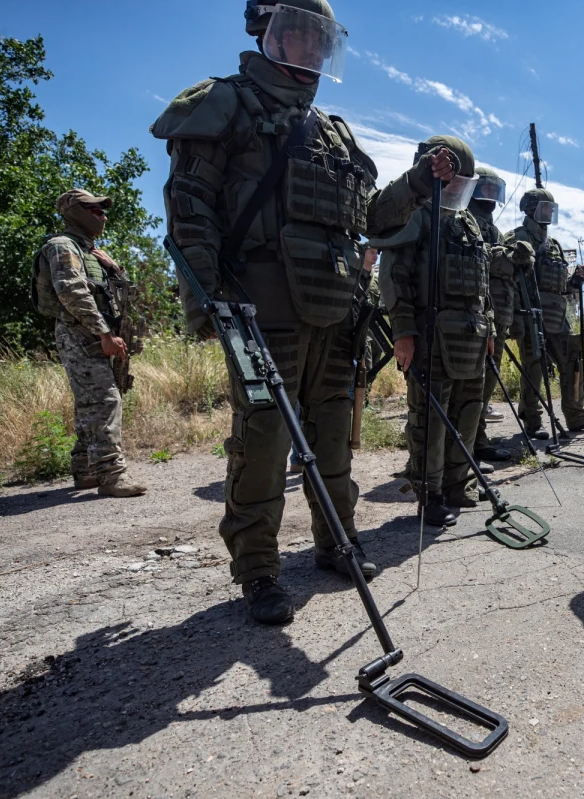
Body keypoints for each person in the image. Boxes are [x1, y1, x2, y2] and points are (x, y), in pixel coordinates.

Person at [151, 0, 457, 624]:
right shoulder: (225, 104)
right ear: (268, 33)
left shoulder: (333, 131)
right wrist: (210, 301)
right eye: (300, 35)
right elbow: (189, 211)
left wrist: (416, 185)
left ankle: (337, 542)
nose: (312, 51)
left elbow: (369, 218)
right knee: (263, 439)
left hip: (336, 307)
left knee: (333, 434)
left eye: (322, 41)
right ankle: (258, 570)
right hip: (259, 306)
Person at [377, 136, 493, 522]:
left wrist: (490, 329)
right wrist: (403, 333)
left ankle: (460, 485)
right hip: (432, 337)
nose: (457, 188)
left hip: (471, 338)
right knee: (430, 418)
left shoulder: (469, 223)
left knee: (468, 412)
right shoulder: (416, 213)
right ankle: (431, 493)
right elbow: (394, 275)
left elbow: (483, 284)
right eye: (453, 179)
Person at [36, 189, 147, 499]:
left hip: (94, 333)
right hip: (79, 334)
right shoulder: (62, 245)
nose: (102, 215)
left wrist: (115, 269)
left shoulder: (90, 251)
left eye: (103, 210)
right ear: (75, 212)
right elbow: (71, 291)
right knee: (105, 400)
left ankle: (85, 470)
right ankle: (112, 475)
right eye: (95, 209)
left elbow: (124, 293)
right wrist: (103, 333)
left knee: (90, 402)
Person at [506, 189, 584, 438]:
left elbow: (563, 288)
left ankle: (577, 418)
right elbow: (506, 279)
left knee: (573, 362)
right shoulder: (516, 238)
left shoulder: (554, 245)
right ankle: (533, 421)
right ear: (531, 208)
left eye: (552, 209)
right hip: (530, 314)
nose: (550, 213)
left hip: (557, 316)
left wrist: (576, 281)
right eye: (545, 208)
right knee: (534, 367)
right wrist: (515, 316)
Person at [470, 166, 516, 463]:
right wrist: (504, 256)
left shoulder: (492, 227)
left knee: (488, 378)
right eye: (486, 189)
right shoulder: (467, 219)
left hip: (496, 314)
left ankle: (478, 437)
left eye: (494, 190)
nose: (491, 196)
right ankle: (472, 441)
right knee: (475, 379)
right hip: (476, 312)